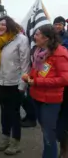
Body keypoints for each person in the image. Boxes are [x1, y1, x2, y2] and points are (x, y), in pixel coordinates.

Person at [23, 24, 68, 158]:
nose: (34, 36)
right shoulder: (39, 51)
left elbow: (64, 79)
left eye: (37, 34)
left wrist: (36, 82)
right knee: (45, 131)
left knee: (49, 133)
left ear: (46, 38)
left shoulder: (60, 54)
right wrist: (30, 77)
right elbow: (37, 70)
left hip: (51, 100)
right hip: (37, 96)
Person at [0, 16, 30, 155]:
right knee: (4, 112)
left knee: (14, 114)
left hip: (15, 83)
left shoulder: (21, 39)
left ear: (10, 25)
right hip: (0, 83)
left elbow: (25, 64)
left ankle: (15, 142)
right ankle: (5, 138)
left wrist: (22, 85)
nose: (0, 27)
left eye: (3, 24)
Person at [52, 16, 68, 156]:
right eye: (56, 24)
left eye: (60, 24)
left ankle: (64, 147)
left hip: (65, 81)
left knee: (63, 115)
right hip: (55, 82)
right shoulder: (50, 40)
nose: (58, 26)